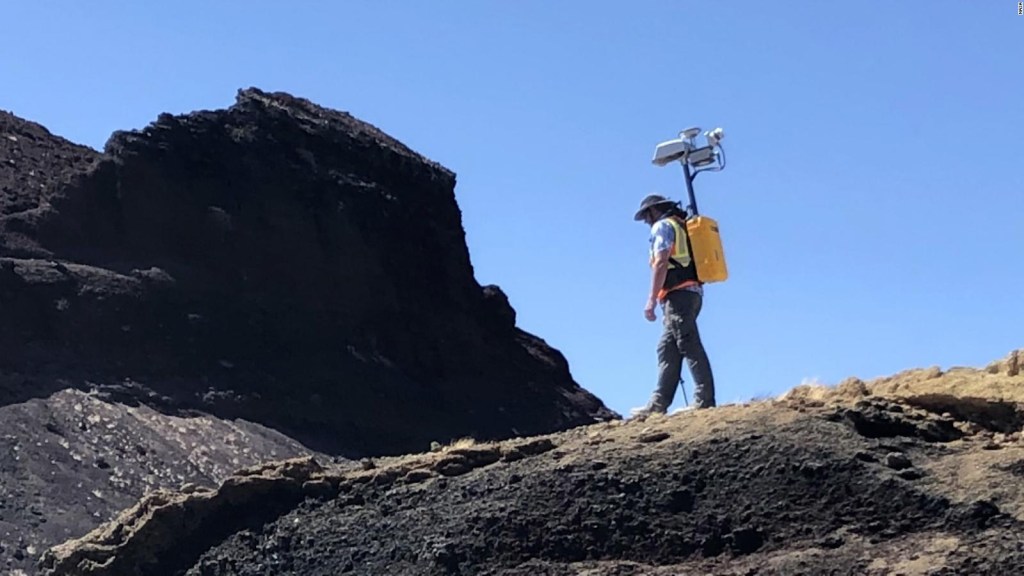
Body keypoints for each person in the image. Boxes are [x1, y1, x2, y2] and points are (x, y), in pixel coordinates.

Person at [631, 194, 716, 417]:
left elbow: (661, 261)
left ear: (653, 211)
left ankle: (704, 400)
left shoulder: (662, 226)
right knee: (667, 348)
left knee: (688, 343)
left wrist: (651, 299)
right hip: (691, 293)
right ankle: (657, 404)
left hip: (679, 295)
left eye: (646, 216)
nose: (646, 222)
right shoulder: (680, 225)